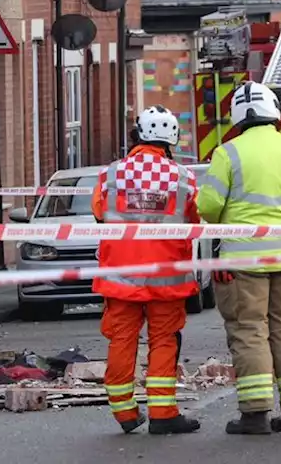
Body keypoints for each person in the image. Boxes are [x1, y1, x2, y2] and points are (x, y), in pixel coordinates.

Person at [196, 81, 281, 435]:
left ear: (237, 117)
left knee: (250, 331)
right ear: (275, 114)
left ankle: (256, 413)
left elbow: (208, 207)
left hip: (245, 261)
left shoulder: (228, 153)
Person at [90, 106, 202, 436]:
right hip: (167, 277)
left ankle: (124, 413)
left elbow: (99, 213)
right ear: (172, 140)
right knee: (164, 341)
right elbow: (194, 220)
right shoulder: (183, 177)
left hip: (121, 275)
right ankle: (163, 413)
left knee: (122, 340)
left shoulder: (111, 175)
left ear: (136, 134)